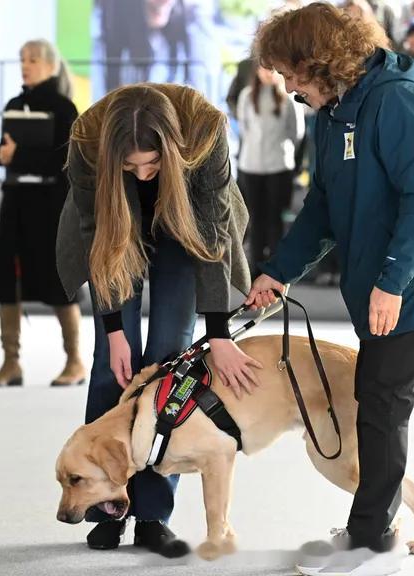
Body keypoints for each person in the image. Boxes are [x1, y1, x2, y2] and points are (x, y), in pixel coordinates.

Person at [251, 4, 414, 574]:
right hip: (386, 282)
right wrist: (278, 270)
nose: (288, 87)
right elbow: (322, 208)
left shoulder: (397, 101)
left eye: (291, 73)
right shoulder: (331, 114)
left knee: (382, 400)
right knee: (377, 398)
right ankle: (376, 524)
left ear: (321, 61)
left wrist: (392, 282)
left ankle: (369, 535)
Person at [55, 83, 254, 556]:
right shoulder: (88, 139)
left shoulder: (205, 132)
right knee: (112, 367)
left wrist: (219, 333)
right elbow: (96, 236)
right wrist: (113, 331)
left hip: (186, 233)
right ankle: (106, 505)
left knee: (168, 364)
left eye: (153, 163)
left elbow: (210, 241)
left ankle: (152, 515)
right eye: (130, 166)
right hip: (113, 234)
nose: (143, 174)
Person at [0, 40, 86, 389]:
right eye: (22, 60)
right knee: (7, 280)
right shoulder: (13, 105)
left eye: (33, 60)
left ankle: (74, 360)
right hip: (15, 201)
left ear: (51, 66)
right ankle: (10, 362)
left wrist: (19, 155)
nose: (26, 65)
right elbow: (7, 156)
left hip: (50, 206)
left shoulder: (64, 108)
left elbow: (63, 161)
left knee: (57, 283)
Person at [237, 66, 305, 267]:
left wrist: (286, 152)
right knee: (256, 220)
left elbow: (297, 133)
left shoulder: (289, 98)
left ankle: (275, 270)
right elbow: (244, 127)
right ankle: (255, 267)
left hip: (279, 166)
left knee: (275, 221)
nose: (268, 74)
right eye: (264, 69)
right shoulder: (247, 96)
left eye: (272, 70)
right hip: (251, 166)